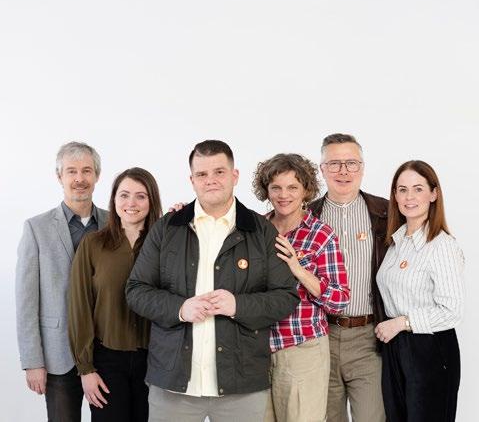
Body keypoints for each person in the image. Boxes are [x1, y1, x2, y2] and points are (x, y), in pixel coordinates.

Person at [126, 140, 299, 422]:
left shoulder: (261, 231)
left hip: (241, 384)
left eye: (219, 172)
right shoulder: (167, 228)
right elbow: (136, 291)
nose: (211, 180)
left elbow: (286, 296)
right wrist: (180, 308)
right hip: (173, 382)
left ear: (234, 175)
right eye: (202, 174)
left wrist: (237, 305)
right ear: (192, 180)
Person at [252, 153, 350, 422]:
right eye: (276, 187)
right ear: (266, 190)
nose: (284, 195)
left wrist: (298, 269)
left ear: (306, 190)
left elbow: (340, 299)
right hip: (257, 350)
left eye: (292, 187)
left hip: (302, 349)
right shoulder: (255, 230)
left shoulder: (320, 235)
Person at [15, 141, 108, 422]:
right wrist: (33, 361)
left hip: (106, 352)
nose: (80, 178)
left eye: (86, 171)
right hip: (58, 356)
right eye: (71, 171)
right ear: (59, 177)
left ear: (97, 176)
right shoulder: (37, 228)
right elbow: (26, 301)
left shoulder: (114, 223)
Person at [68, 167, 162, 421]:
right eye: (124, 195)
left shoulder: (165, 245)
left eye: (141, 196)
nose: (131, 203)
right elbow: (79, 307)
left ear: (152, 201)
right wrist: (86, 369)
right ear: (114, 199)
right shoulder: (93, 244)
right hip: (106, 362)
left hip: (155, 362)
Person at [375, 160, 464, 422]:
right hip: (395, 347)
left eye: (418, 189)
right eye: (402, 190)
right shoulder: (396, 242)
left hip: (429, 348)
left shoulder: (441, 246)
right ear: (395, 195)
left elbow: (452, 311)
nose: (409, 197)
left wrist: (401, 323)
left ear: (433, 194)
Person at [308, 133, 388, 422]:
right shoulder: (306, 215)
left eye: (351, 163)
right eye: (334, 163)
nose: (343, 171)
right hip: (320, 336)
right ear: (322, 169)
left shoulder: (385, 213)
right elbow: (264, 227)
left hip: (369, 337)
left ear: (362, 168)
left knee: (372, 417)